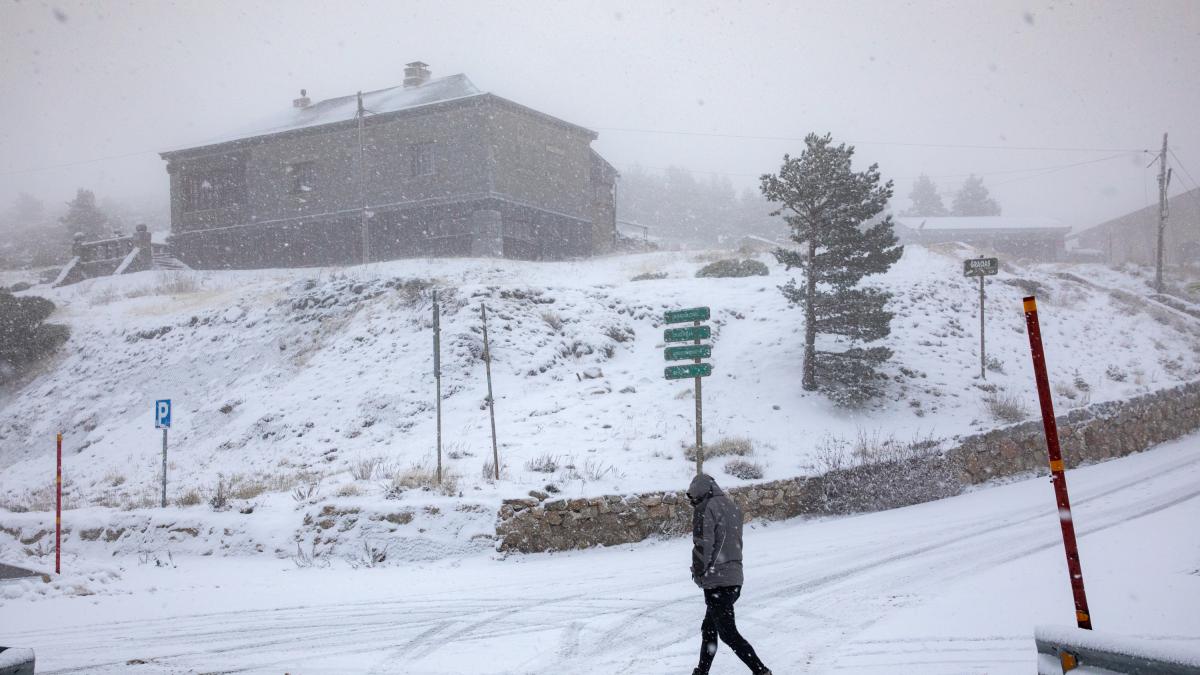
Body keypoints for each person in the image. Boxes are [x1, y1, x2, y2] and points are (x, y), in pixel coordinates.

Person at [688, 473, 772, 675]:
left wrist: (698, 572)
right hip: (734, 579)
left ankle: (761, 671)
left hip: (717, 580)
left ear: (700, 494)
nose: (694, 502)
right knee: (709, 628)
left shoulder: (705, 508)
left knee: (727, 633)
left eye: (694, 498)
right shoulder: (731, 506)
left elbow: (703, 544)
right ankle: (702, 671)